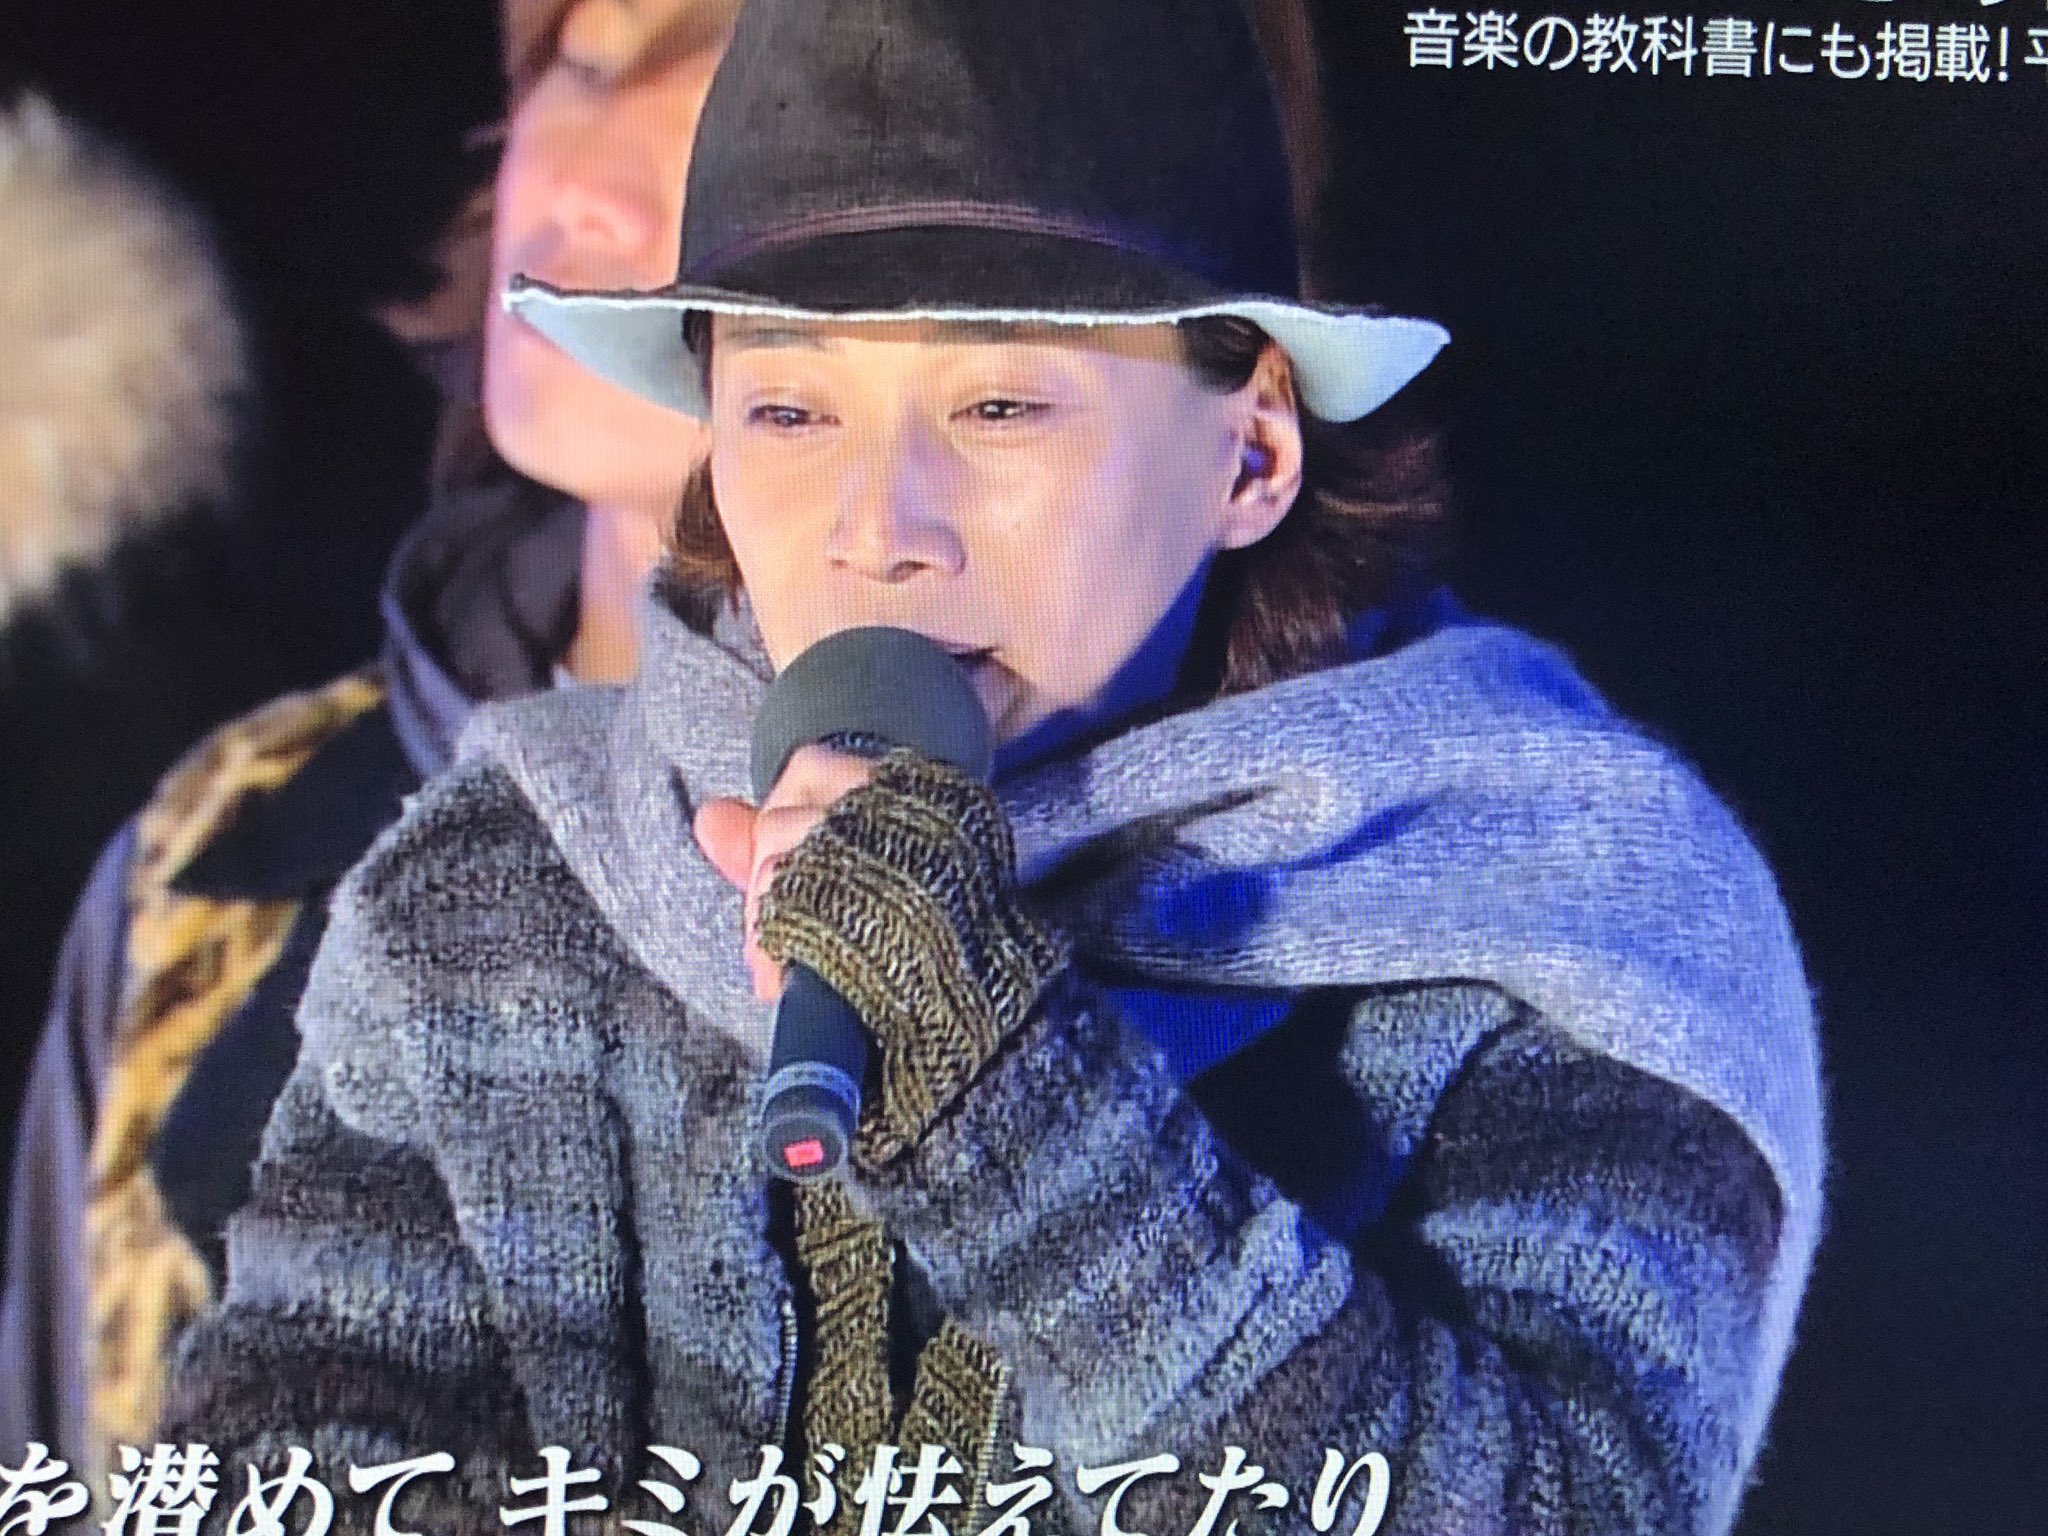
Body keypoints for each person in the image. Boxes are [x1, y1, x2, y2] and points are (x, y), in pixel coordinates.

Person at [162, 0, 1824, 1532]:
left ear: (1251, 448)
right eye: (792, 414)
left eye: (1000, 408)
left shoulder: (1546, 925)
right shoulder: (504, 885)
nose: (879, 529)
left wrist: (994, 1081)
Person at [0, 0, 741, 1484]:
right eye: (585, 57)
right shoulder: (225, 853)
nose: (580, 175)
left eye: (743, 104)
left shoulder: (1060, 914)